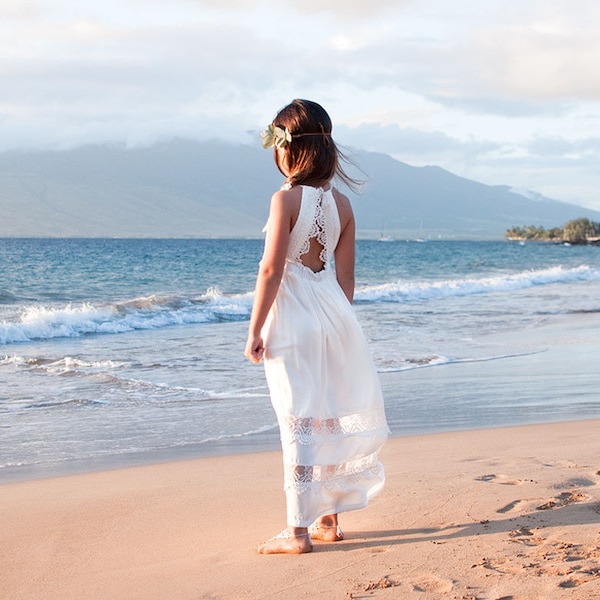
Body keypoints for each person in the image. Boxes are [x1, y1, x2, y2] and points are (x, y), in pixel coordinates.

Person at [244, 99, 388, 554]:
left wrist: (255, 329)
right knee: (327, 418)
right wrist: (332, 324)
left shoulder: (284, 198)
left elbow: (271, 271)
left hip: (291, 317)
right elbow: (346, 282)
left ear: (288, 150)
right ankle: (329, 520)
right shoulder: (342, 205)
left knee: (296, 420)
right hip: (333, 318)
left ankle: (297, 532)